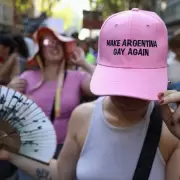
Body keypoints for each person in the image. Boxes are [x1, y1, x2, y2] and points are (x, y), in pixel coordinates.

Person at [1, 9, 180, 180]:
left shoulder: (172, 132)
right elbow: (62, 174)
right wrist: (12, 155)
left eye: (140, 84)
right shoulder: (82, 117)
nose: (128, 96)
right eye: (118, 83)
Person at [8, 27, 95, 179]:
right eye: (48, 41)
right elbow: (7, 110)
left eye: (59, 43)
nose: (54, 45)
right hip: (32, 149)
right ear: (40, 50)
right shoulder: (27, 77)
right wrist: (9, 89)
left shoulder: (77, 77)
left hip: (66, 150)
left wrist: (83, 63)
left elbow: (106, 86)